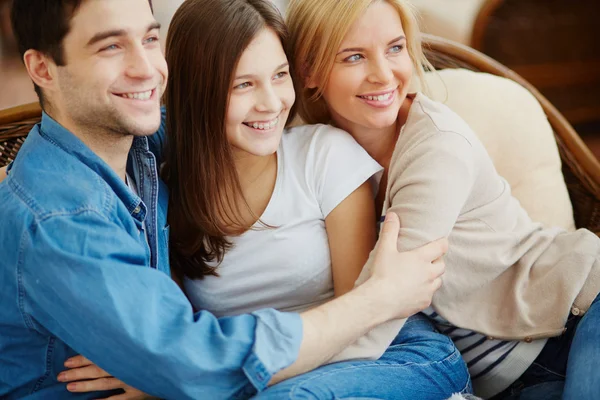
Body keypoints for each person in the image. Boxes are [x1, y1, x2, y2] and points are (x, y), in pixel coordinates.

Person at [0, 0, 451, 399]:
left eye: (150, 38)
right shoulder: (61, 217)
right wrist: (381, 296)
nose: (146, 69)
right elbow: (196, 364)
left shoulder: (141, 146)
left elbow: (207, 110)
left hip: (375, 356)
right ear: (43, 69)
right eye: (110, 47)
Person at [285, 0, 600, 399]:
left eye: (395, 48)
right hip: (514, 380)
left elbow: (379, 309)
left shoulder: (436, 149)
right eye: (354, 56)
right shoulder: (318, 153)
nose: (383, 74)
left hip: (575, 314)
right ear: (309, 71)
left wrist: (262, 370)